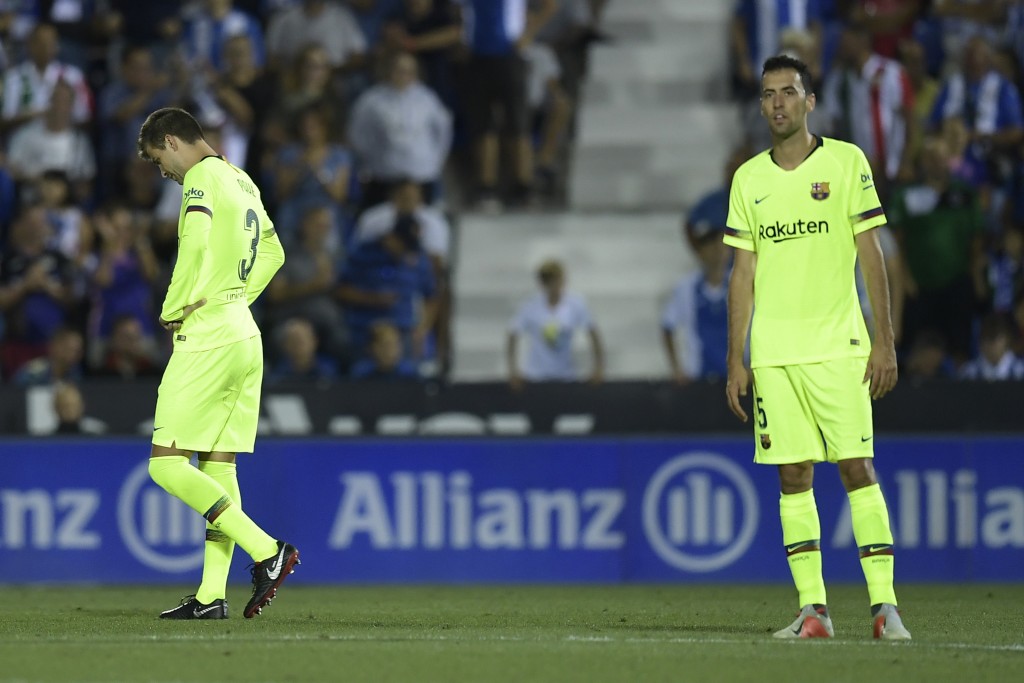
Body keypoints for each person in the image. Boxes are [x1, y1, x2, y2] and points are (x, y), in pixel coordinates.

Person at [724, 55, 911, 640]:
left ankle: (885, 610)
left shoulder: (846, 162)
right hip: (774, 354)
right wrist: (737, 356)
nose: (777, 102)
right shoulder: (748, 179)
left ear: (810, 101)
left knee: (857, 468)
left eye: (788, 92)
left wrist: (885, 339)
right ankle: (814, 612)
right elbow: (741, 272)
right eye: (768, 94)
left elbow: (871, 254)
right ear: (761, 105)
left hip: (839, 347)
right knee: (792, 476)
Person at [136, 107, 298, 620]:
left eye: (158, 158)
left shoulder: (202, 178)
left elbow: (197, 239)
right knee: (218, 466)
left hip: (208, 335)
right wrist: (234, 296)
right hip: (244, 333)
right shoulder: (241, 178)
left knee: (164, 464)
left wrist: (176, 304)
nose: (162, 170)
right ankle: (211, 596)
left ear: (171, 140)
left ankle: (267, 550)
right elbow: (274, 253)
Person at [507, 258, 603, 390]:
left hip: (566, 376)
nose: (553, 285)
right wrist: (513, 370)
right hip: (536, 377)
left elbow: (592, 332)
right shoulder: (531, 306)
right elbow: (513, 333)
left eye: (556, 280)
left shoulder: (575, 304)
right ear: (543, 283)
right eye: (548, 281)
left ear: (562, 280)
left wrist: (598, 368)